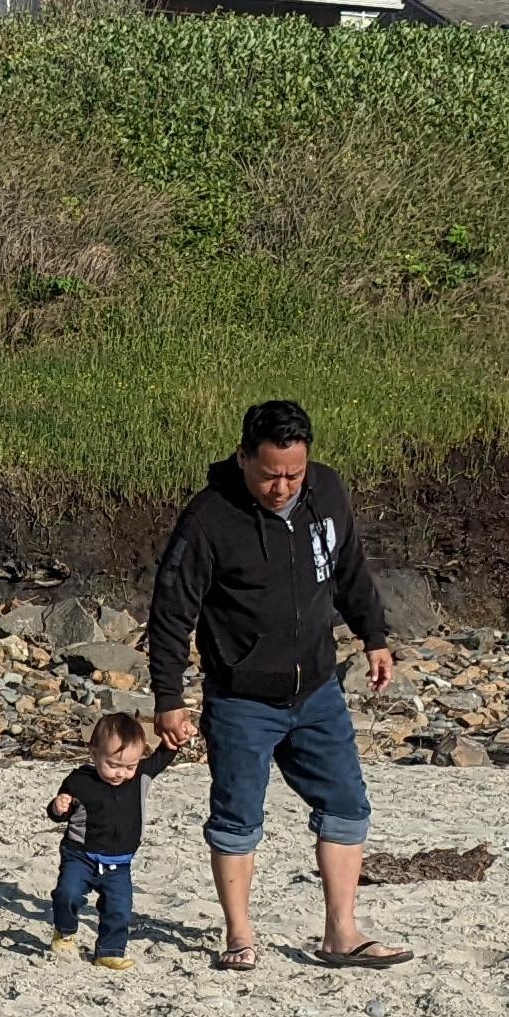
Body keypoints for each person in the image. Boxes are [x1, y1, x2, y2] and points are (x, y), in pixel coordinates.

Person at [147, 397, 410, 973]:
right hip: (240, 698)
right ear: (243, 458)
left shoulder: (327, 492)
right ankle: (239, 935)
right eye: (271, 474)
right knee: (238, 817)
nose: (283, 486)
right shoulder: (208, 518)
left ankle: (341, 932)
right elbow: (170, 612)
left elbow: (350, 572)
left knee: (346, 805)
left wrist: (374, 636)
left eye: (294, 473)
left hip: (317, 689)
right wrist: (169, 698)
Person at [44, 711, 174, 968]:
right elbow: (60, 813)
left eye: (129, 766)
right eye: (113, 765)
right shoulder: (79, 780)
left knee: (119, 909)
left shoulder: (140, 778)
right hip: (80, 855)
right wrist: (58, 807)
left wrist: (176, 738)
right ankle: (65, 932)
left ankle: (110, 951)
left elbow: (163, 755)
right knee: (67, 895)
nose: (120, 774)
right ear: (94, 754)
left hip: (119, 861)